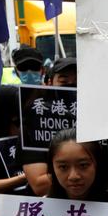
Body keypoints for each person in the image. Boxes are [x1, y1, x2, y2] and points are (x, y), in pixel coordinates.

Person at [22, 56, 78, 196]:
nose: (71, 85)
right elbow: (39, 185)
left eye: (77, 81)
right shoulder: (35, 123)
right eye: (64, 81)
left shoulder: (97, 118)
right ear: (48, 82)